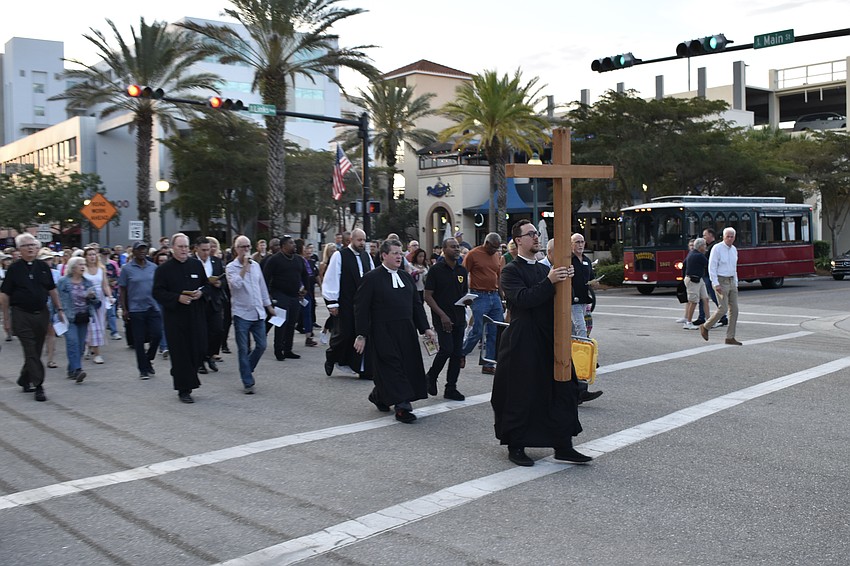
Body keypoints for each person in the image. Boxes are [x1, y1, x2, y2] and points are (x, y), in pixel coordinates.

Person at [491, 220, 592, 466]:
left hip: (550, 338)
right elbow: (523, 299)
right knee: (522, 392)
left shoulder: (542, 269)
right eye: (530, 234)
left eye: (537, 234)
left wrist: (567, 279)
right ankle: (516, 445)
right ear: (518, 240)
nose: (536, 238)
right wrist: (550, 281)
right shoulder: (511, 270)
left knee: (562, 389)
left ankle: (563, 445)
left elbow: (560, 300)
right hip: (523, 339)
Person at [354, 239, 436, 423]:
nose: (399, 257)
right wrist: (361, 334)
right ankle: (402, 407)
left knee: (407, 366)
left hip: (406, 330)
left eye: (400, 253)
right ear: (384, 255)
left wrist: (425, 328)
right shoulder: (371, 278)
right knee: (392, 366)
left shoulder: (406, 277)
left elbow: (416, 305)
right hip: (382, 331)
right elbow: (361, 308)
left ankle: (379, 395)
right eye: (395, 253)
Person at [0, 233, 65, 401]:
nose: (30, 248)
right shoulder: (14, 269)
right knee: (30, 349)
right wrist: (6, 319)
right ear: (19, 249)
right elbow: (5, 295)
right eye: (26, 245)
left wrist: (59, 309)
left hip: (41, 313)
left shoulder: (43, 267)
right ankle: (39, 385)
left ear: (37, 248)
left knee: (35, 350)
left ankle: (24, 378)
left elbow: (52, 289)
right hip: (21, 314)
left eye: (33, 245)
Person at [152, 233, 208, 404]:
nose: (184, 250)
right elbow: (158, 292)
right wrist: (177, 298)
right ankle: (184, 389)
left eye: (186, 247)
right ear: (173, 248)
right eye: (180, 247)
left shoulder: (196, 265)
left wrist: (201, 293)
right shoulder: (164, 269)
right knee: (181, 353)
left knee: (198, 350)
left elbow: (206, 285)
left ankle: (181, 374)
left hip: (195, 316)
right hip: (175, 318)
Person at [550, 238, 603, 404]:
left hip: (584, 302)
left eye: (582, 242)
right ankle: (584, 363)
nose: (580, 245)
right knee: (581, 334)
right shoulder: (568, 261)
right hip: (572, 302)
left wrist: (594, 284)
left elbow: (591, 280)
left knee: (578, 334)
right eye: (577, 242)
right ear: (570, 244)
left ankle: (577, 383)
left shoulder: (586, 261)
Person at [321, 228, 374, 377]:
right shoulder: (340, 256)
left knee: (360, 334)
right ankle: (331, 357)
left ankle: (355, 364)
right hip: (346, 302)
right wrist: (332, 303)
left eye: (364, 240)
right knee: (344, 334)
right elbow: (332, 278)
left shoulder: (366, 256)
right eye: (359, 240)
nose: (362, 243)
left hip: (362, 304)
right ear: (351, 240)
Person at [227, 236, 275, 394]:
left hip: (257, 312)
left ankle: (247, 367)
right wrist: (244, 268)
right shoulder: (231, 267)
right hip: (241, 313)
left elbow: (262, 287)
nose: (245, 249)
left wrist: (269, 306)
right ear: (236, 249)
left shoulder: (256, 266)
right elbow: (236, 286)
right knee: (243, 348)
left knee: (262, 345)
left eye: (248, 246)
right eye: (242, 247)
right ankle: (248, 381)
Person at [424, 238, 469, 402]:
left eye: (458, 247)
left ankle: (451, 387)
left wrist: (468, 300)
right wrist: (442, 315)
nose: (457, 249)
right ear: (444, 249)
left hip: (458, 317)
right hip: (442, 317)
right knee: (446, 349)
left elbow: (463, 293)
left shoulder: (462, 270)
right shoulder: (436, 270)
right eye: (453, 247)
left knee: (457, 353)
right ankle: (431, 376)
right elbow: (427, 296)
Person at [460, 232, 504, 375]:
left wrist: (501, 295)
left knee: (495, 330)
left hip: (494, 294)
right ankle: (462, 353)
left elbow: (498, 275)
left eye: (497, 248)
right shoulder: (473, 254)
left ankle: (488, 363)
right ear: (487, 243)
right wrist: (463, 295)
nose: (495, 251)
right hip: (479, 295)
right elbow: (462, 273)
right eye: (494, 248)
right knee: (478, 330)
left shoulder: (496, 255)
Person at [118, 242, 162, 379]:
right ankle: (143, 369)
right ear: (134, 252)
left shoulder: (153, 267)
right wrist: (124, 309)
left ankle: (148, 359)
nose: (143, 251)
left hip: (152, 306)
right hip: (136, 308)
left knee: (157, 335)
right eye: (140, 249)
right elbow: (123, 290)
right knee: (139, 340)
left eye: (145, 249)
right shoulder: (127, 269)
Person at [263, 235, 308, 361]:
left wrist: (306, 289)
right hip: (279, 295)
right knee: (281, 323)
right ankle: (278, 350)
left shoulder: (299, 259)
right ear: (283, 246)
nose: (294, 245)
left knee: (291, 323)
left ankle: (288, 349)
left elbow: (305, 275)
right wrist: (268, 295)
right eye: (291, 243)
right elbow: (265, 278)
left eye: (294, 243)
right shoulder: (274, 259)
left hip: (295, 296)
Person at [56, 256, 100, 383]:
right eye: (80, 264)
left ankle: (71, 369)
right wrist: (56, 313)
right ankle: (78, 370)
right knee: (73, 342)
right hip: (69, 317)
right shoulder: (63, 282)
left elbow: (96, 301)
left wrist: (91, 297)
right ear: (73, 267)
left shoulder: (87, 282)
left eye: (83, 264)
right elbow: (56, 298)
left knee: (80, 346)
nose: (83, 267)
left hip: (83, 316)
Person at [699, 227, 741, 346]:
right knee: (723, 308)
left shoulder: (734, 250)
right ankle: (706, 326)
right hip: (721, 280)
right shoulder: (717, 248)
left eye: (732, 236)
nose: (730, 238)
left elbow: (734, 268)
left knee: (735, 310)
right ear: (723, 237)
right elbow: (712, 267)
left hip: (732, 280)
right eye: (727, 236)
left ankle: (730, 337)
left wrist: (736, 283)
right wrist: (715, 283)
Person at [194, 237, 226, 373]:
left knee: (218, 330)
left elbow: (223, 278)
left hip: (214, 301)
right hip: (199, 301)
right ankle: (200, 361)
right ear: (196, 249)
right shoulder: (191, 263)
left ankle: (210, 355)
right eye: (203, 250)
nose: (206, 253)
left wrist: (220, 283)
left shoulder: (216, 261)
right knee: (201, 333)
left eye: (208, 250)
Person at [83, 246, 111, 364]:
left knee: (100, 325)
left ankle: (90, 346)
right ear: (85, 257)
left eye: (94, 254)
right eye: (89, 254)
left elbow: (105, 285)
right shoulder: (83, 269)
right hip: (87, 300)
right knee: (92, 326)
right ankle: (97, 354)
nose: (92, 257)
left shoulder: (101, 269)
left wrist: (109, 296)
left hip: (100, 300)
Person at [696, 228, 727, 327]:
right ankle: (702, 317)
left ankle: (723, 316)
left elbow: (711, 262)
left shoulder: (714, 247)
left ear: (711, 235)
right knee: (703, 297)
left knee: (714, 296)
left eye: (705, 235)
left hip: (710, 276)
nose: (703, 237)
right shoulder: (708, 247)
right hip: (704, 275)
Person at [683, 238, 710, 330]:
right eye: (704, 245)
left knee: (705, 299)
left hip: (697, 279)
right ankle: (688, 322)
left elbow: (684, 263)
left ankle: (709, 321)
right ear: (700, 246)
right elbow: (709, 264)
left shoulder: (691, 253)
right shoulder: (699, 256)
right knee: (693, 301)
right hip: (693, 280)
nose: (705, 247)